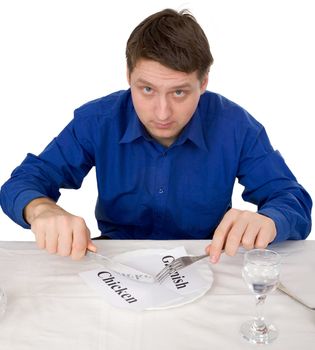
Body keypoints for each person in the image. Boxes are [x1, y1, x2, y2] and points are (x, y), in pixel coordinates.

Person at [0, 9, 312, 263]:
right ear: (129, 77)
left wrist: (269, 220)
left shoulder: (237, 127)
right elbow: (24, 181)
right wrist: (42, 210)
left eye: (179, 92)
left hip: (206, 261)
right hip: (113, 262)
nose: (162, 113)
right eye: (147, 89)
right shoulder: (98, 120)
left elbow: (291, 200)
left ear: (203, 83)